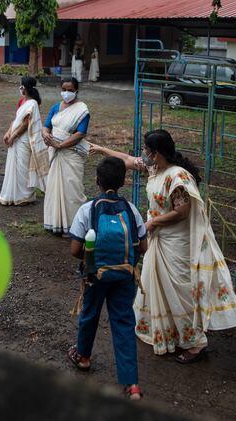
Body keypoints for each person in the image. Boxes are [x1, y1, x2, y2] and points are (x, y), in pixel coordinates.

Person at [90, 129, 236, 363]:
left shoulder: (177, 176)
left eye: (146, 149)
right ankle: (167, 333)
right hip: (159, 237)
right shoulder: (154, 167)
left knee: (180, 290)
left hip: (176, 242)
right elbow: (128, 160)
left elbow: (182, 212)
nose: (143, 153)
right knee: (158, 286)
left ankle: (196, 344)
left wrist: (152, 222)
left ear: (157, 153)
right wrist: (103, 150)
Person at [66, 157, 147, 401]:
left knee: (90, 314)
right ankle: (131, 384)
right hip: (124, 276)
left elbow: (74, 249)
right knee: (123, 322)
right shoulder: (131, 210)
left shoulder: (87, 209)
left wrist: (89, 258)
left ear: (96, 180)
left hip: (95, 275)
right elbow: (142, 245)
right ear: (124, 181)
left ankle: (83, 356)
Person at [42, 77, 90, 235]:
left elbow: (80, 133)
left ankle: (74, 226)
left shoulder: (82, 110)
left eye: (70, 90)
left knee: (72, 189)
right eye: (64, 89)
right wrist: (46, 135)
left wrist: (61, 145)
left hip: (71, 154)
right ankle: (55, 223)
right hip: (55, 152)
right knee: (54, 188)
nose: (66, 93)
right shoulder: (56, 106)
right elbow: (46, 126)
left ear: (76, 91)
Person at [0, 77, 49, 205]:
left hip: (24, 139)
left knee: (23, 168)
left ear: (25, 88)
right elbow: (16, 120)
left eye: (21, 86)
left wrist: (13, 136)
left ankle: (24, 196)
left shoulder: (32, 103)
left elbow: (25, 124)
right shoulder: (22, 102)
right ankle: (14, 195)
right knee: (15, 167)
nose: (20, 88)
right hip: (16, 138)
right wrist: (8, 132)